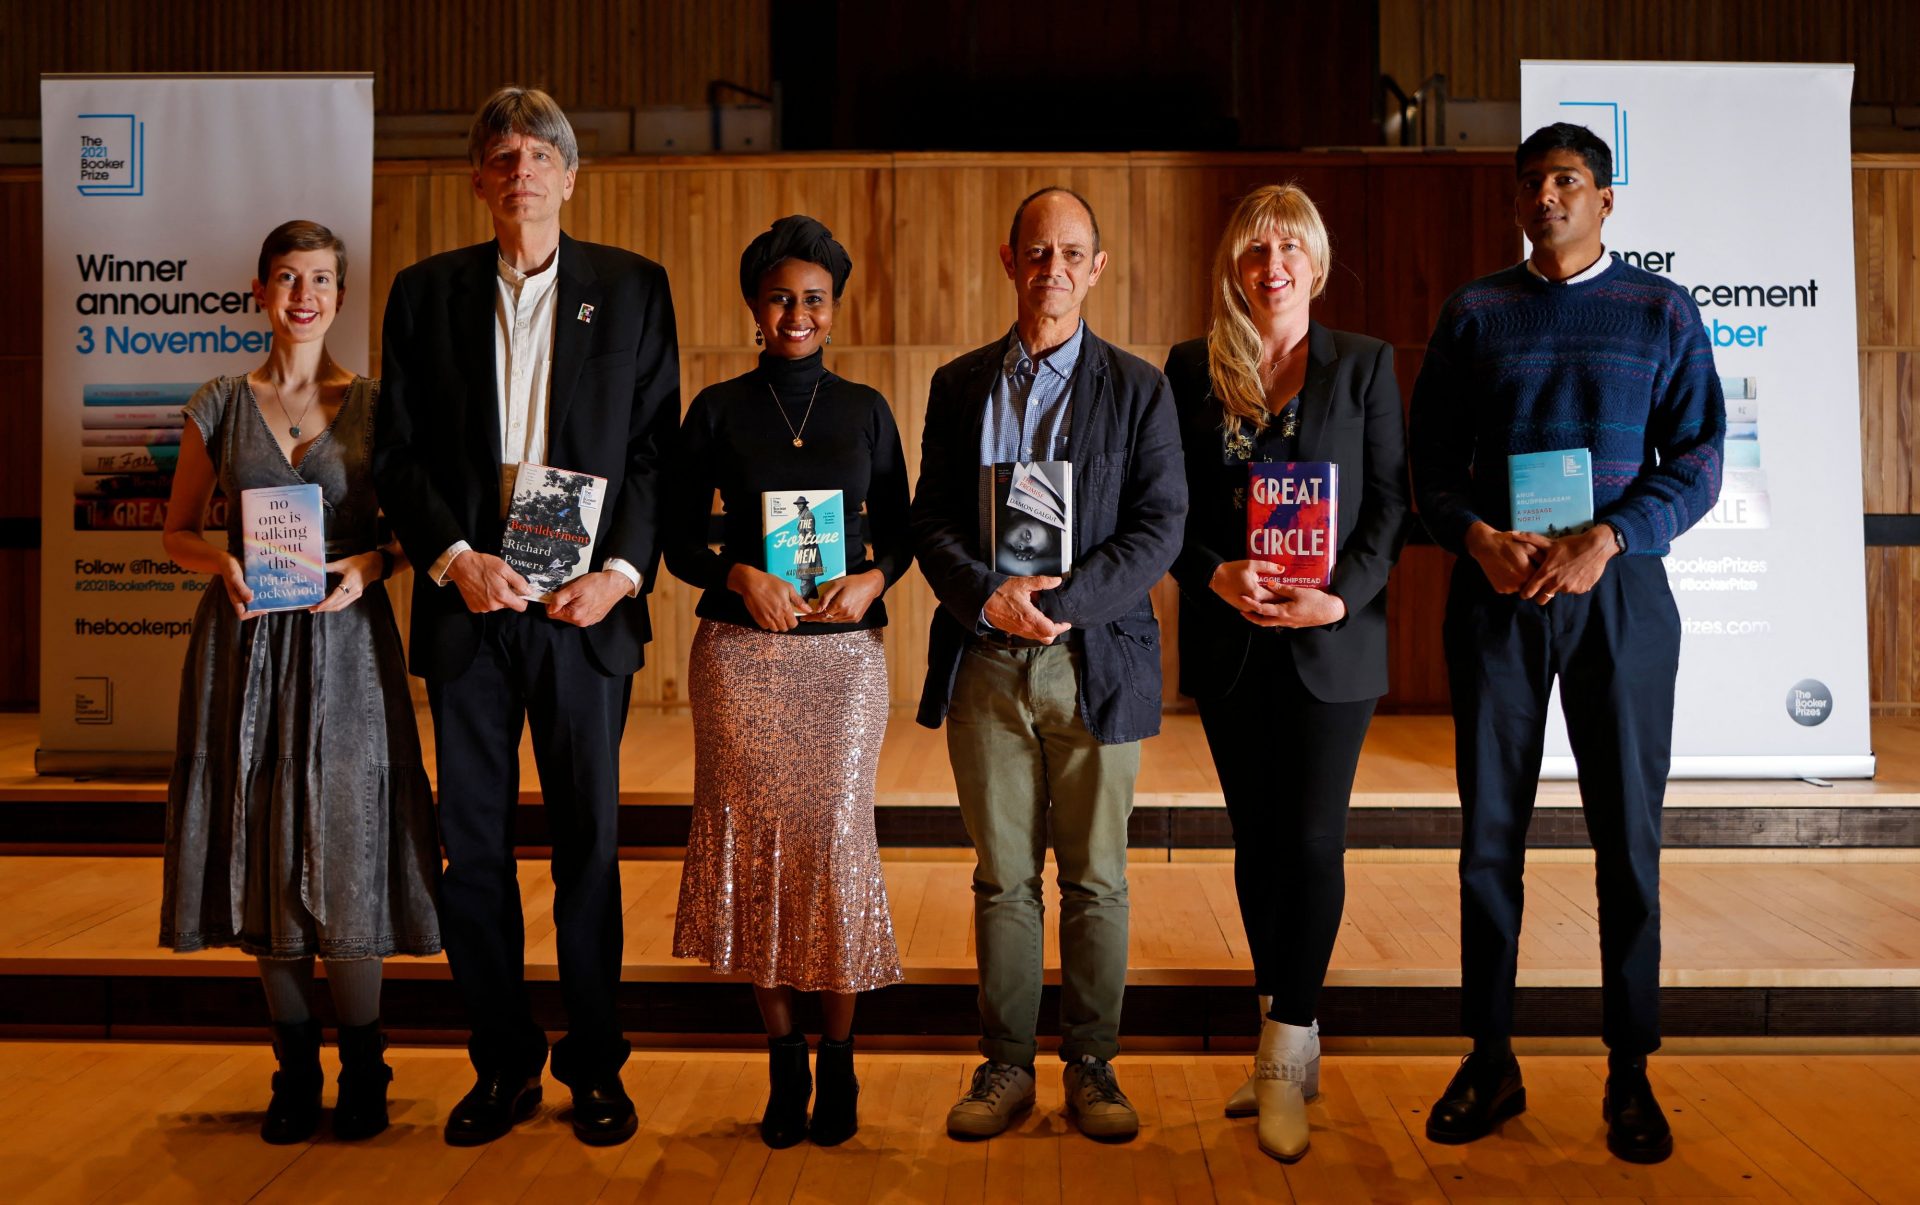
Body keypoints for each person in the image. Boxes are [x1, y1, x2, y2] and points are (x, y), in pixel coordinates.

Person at [1408, 122, 1724, 1165]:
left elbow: (1703, 457)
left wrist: (1615, 533)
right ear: (1518, 202)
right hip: (1498, 594)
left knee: (1627, 842)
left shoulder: (1660, 310)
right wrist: (1475, 536)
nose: (1548, 195)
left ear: (1606, 201)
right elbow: (1428, 469)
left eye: (1569, 181)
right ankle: (1489, 1054)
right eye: (1534, 182)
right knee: (1488, 838)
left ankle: (1630, 1066)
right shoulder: (1476, 312)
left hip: (1620, 595)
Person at [372, 86, 681, 1148]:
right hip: (471, 607)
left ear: (570, 174)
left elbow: (652, 452)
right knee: (474, 848)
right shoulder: (423, 295)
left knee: (589, 845)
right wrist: (454, 559)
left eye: (539, 153)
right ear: (478, 180)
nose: (521, 171)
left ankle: (596, 1062)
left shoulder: (635, 290)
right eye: (501, 157)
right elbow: (397, 455)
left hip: (581, 608)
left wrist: (624, 574)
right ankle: (502, 1059)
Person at [910, 187, 1186, 1143]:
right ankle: (1006, 1064)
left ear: (1097, 269)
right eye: (1037, 251)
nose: (1053, 269)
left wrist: (1059, 604)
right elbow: (930, 517)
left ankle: (1094, 1062)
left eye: (1072, 253)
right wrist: (989, 594)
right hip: (985, 656)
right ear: (1008, 259)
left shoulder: (1141, 387)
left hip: (1094, 656)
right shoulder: (958, 384)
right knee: (1001, 877)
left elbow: (1162, 527)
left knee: (1099, 876)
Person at [159, 219, 441, 1145]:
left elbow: (411, 534)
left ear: (340, 295)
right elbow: (178, 532)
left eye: (319, 278)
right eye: (287, 277)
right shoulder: (217, 401)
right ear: (260, 290)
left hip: (347, 647)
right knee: (263, 849)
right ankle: (294, 1068)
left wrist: (370, 566)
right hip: (246, 649)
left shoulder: (376, 403)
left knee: (346, 841)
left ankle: (365, 1063)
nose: (303, 294)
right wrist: (221, 565)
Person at [1164, 183, 1408, 1161]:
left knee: (1311, 835)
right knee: (1258, 840)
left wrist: (1340, 596)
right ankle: (1286, 1031)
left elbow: (1392, 505)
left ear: (1316, 260)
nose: (1274, 267)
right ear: (1235, 263)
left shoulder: (1365, 366)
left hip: (1329, 642)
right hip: (1233, 641)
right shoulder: (1192, 368)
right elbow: (1167, 511)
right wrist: (1213, 571)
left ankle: (1283, 1047)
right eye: (1257, 251)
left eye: (1290, 249)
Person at [666, 215, 913, 1150]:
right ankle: (783, 1062)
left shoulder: (866, 410)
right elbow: (679, 539)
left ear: (834, 309)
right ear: (754, 307)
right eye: (780, 297)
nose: (796, 313)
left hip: (842, 663)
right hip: (741, 660)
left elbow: (906, 528)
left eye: (813, 298)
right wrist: (740, 574)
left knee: (833, 850)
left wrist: (872, 577)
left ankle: (840, 1060)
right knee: (759, 855)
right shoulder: (717, 410)